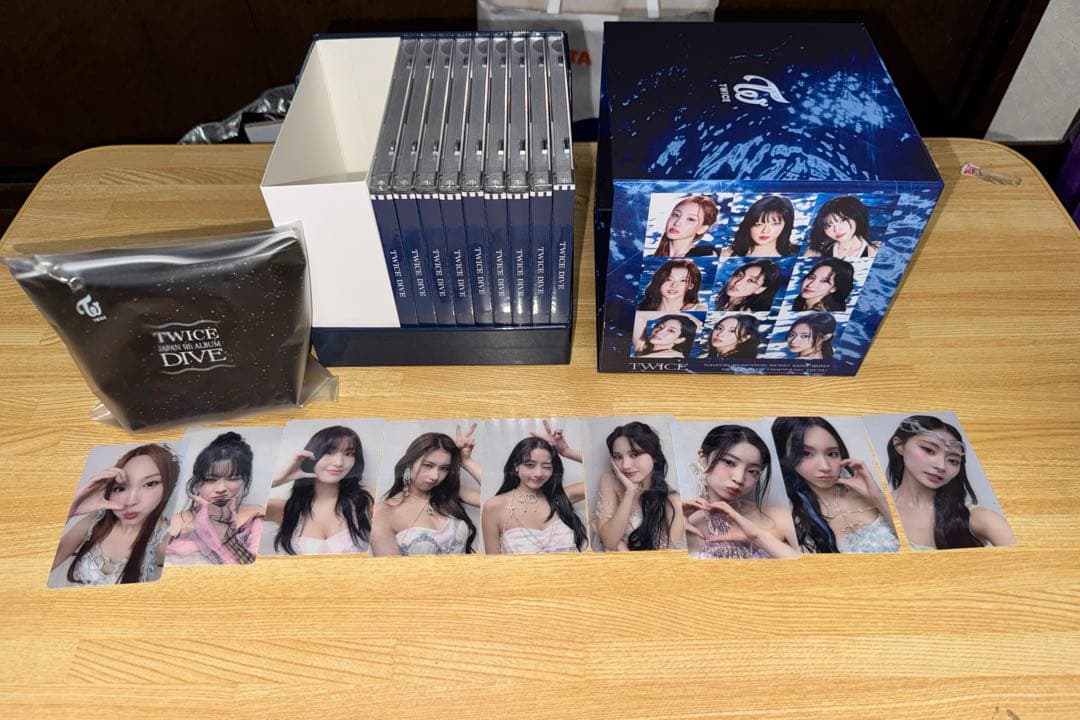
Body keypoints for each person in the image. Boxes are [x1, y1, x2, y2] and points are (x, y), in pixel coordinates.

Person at [51, 444, 179, 585]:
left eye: (149, 484)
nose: (130, 501)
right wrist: (69, 511)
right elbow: (41, 565)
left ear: (168, 486)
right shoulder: (97, 519)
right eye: (120, 488)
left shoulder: (164, 541)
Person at [771, 417, 899, 554]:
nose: (825, 467)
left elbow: (912, 543)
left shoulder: (872, 496)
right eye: (806, 453)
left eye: (832, 454)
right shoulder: (790, 518)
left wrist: (878, 498)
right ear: (785, 457)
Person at [886, 415, 1015, 550]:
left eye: (953, 461)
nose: (941, 466)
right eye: (929, 450)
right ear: (899, 446)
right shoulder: (875, 507)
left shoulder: (975, 518)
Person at [682, 424, 799, 559]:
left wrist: (759, 536)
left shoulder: (781, 518)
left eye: (752, 471)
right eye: (729, 462)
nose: (739, 479)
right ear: (703, 459)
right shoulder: (681, 520)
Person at [370, 426, 481, 556]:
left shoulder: (449, 493)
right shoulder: (383, 512)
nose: (435, 476)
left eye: (444, 468)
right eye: (428, 465)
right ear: (409, 463)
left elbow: (492, 500)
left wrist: (466, 461)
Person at [483, 421, 588, 554]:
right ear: (516, 466)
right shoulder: (494, 506)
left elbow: (597, 474)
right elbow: (493, 564)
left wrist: (567, 451)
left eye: (546, 467)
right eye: (530, 465)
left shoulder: (562, 497)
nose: (539, 473)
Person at [267, 425, 372, 556]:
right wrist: (277, 480)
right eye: (330, 452)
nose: (339, 463)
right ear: (310, 456)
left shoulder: (366, 499)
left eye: (348, 454)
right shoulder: (287, 509)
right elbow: (241, 509)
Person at [166, 432, 264, 565]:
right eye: (210, 479)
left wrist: (220, 527)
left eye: (232, 478)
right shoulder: (173, 523)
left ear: (244, 480)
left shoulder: (254, 516)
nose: (221, 488)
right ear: (197, 481)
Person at [593, 422, 686, 551]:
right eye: (618, 457)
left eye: (634, 455)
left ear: (654, 456)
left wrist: (622, 548)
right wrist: (630, 492)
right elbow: (609, 542)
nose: (625, 465)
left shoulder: (672, 501)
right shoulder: (609, 480)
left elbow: (666, 560)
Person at [720, 195, 796, 257]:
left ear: (786, 225)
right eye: (758, 224)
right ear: (749, 224)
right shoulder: (726, 255)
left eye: (774, 224)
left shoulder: (796, 253)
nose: (765, 231)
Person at [805, 195, 880, 258]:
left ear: (857, 217)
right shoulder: (814, 253)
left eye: (842, 220)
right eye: (828, 225)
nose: (836, 230)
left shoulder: (877, 250)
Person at [651, 195, 718, 257]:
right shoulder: (651, 257)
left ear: (701, 229)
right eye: (676, 215)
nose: (677, 223)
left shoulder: (705, 255)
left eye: (690, 219)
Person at [713, 259, 781, 313]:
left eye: (750, 280)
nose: (738, 282)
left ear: (760, 289)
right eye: (739, 275)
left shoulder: (745, 312)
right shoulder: (721, 301)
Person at [637, 259, 705, 312]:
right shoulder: (639, 310)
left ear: (691, 286)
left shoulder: (700, 309)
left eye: (683, 280)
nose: (674, 286)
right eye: (668, 279)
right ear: (659, 281)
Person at [633, 314, 699, 358]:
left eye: (671, 330)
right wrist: (681, 313)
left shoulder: (675, 357)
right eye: (660, 326)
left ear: (679, 340)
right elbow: (638, 316)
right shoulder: (642, 347)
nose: (659, 331)